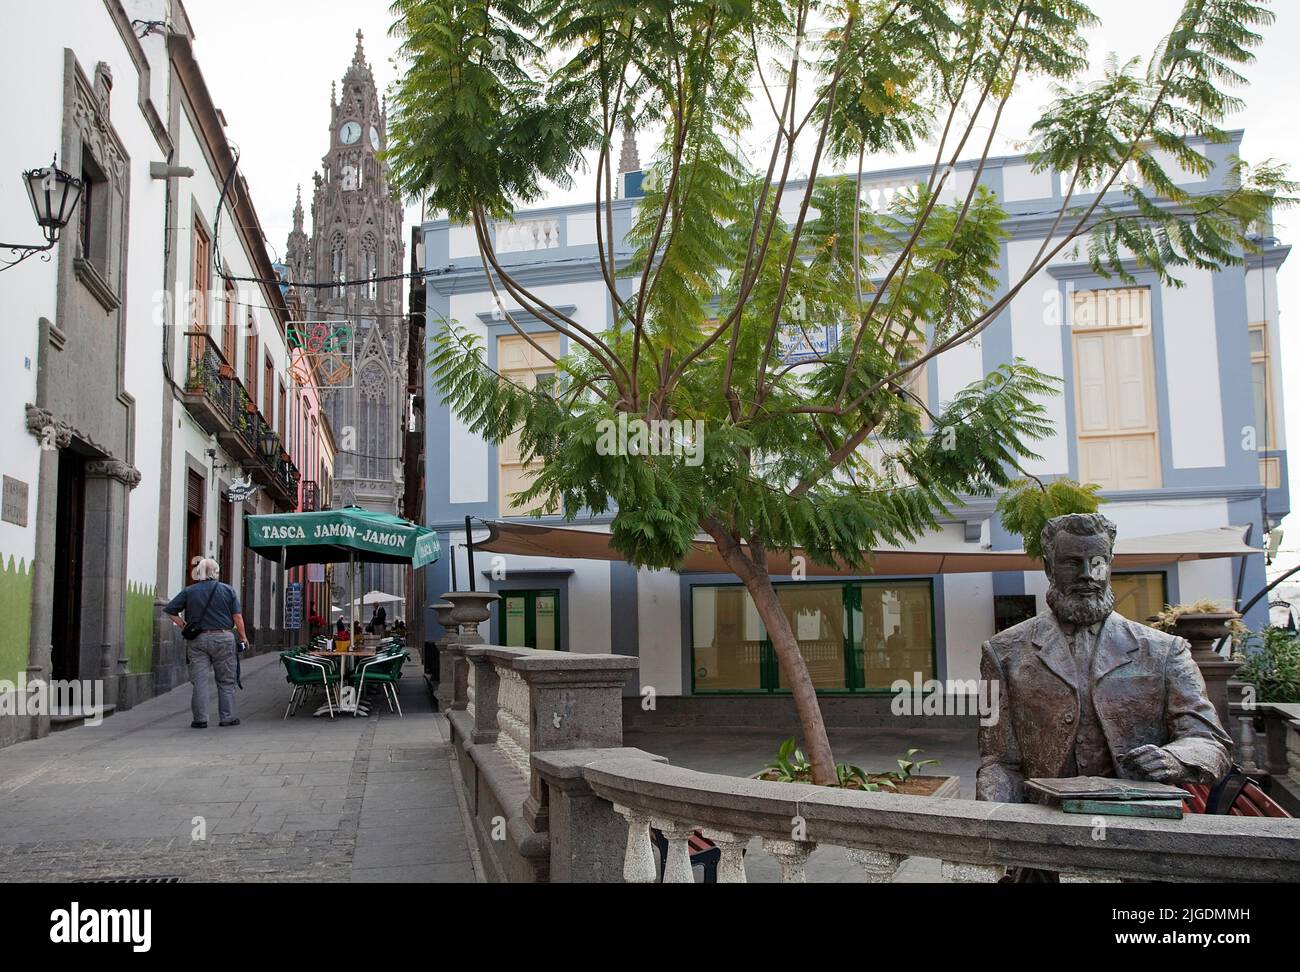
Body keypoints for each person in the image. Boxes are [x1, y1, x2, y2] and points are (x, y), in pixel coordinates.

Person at [978, 513, 1232, 880]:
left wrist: (1175, 758)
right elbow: (996, 760)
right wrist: (1001, 830)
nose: (1086, 573)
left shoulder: (1165, 651)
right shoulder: (1000, 653)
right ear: (1049, 567)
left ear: (1109, 564)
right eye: (1071, 562)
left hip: (1141, 840)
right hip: (1044, 840)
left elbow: (1210, 740)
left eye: (1096, 562)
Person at [165, 558, 249, 729]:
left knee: (200, 681)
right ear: (216, 572)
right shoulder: (227, 590)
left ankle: (200, 719)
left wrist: (183, 625)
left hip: (198, 640)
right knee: (226, 680)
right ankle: (227, 717)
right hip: (223, 638)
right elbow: (237, 617)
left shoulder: (190, 591)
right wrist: (243, 637)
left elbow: (170, 610)